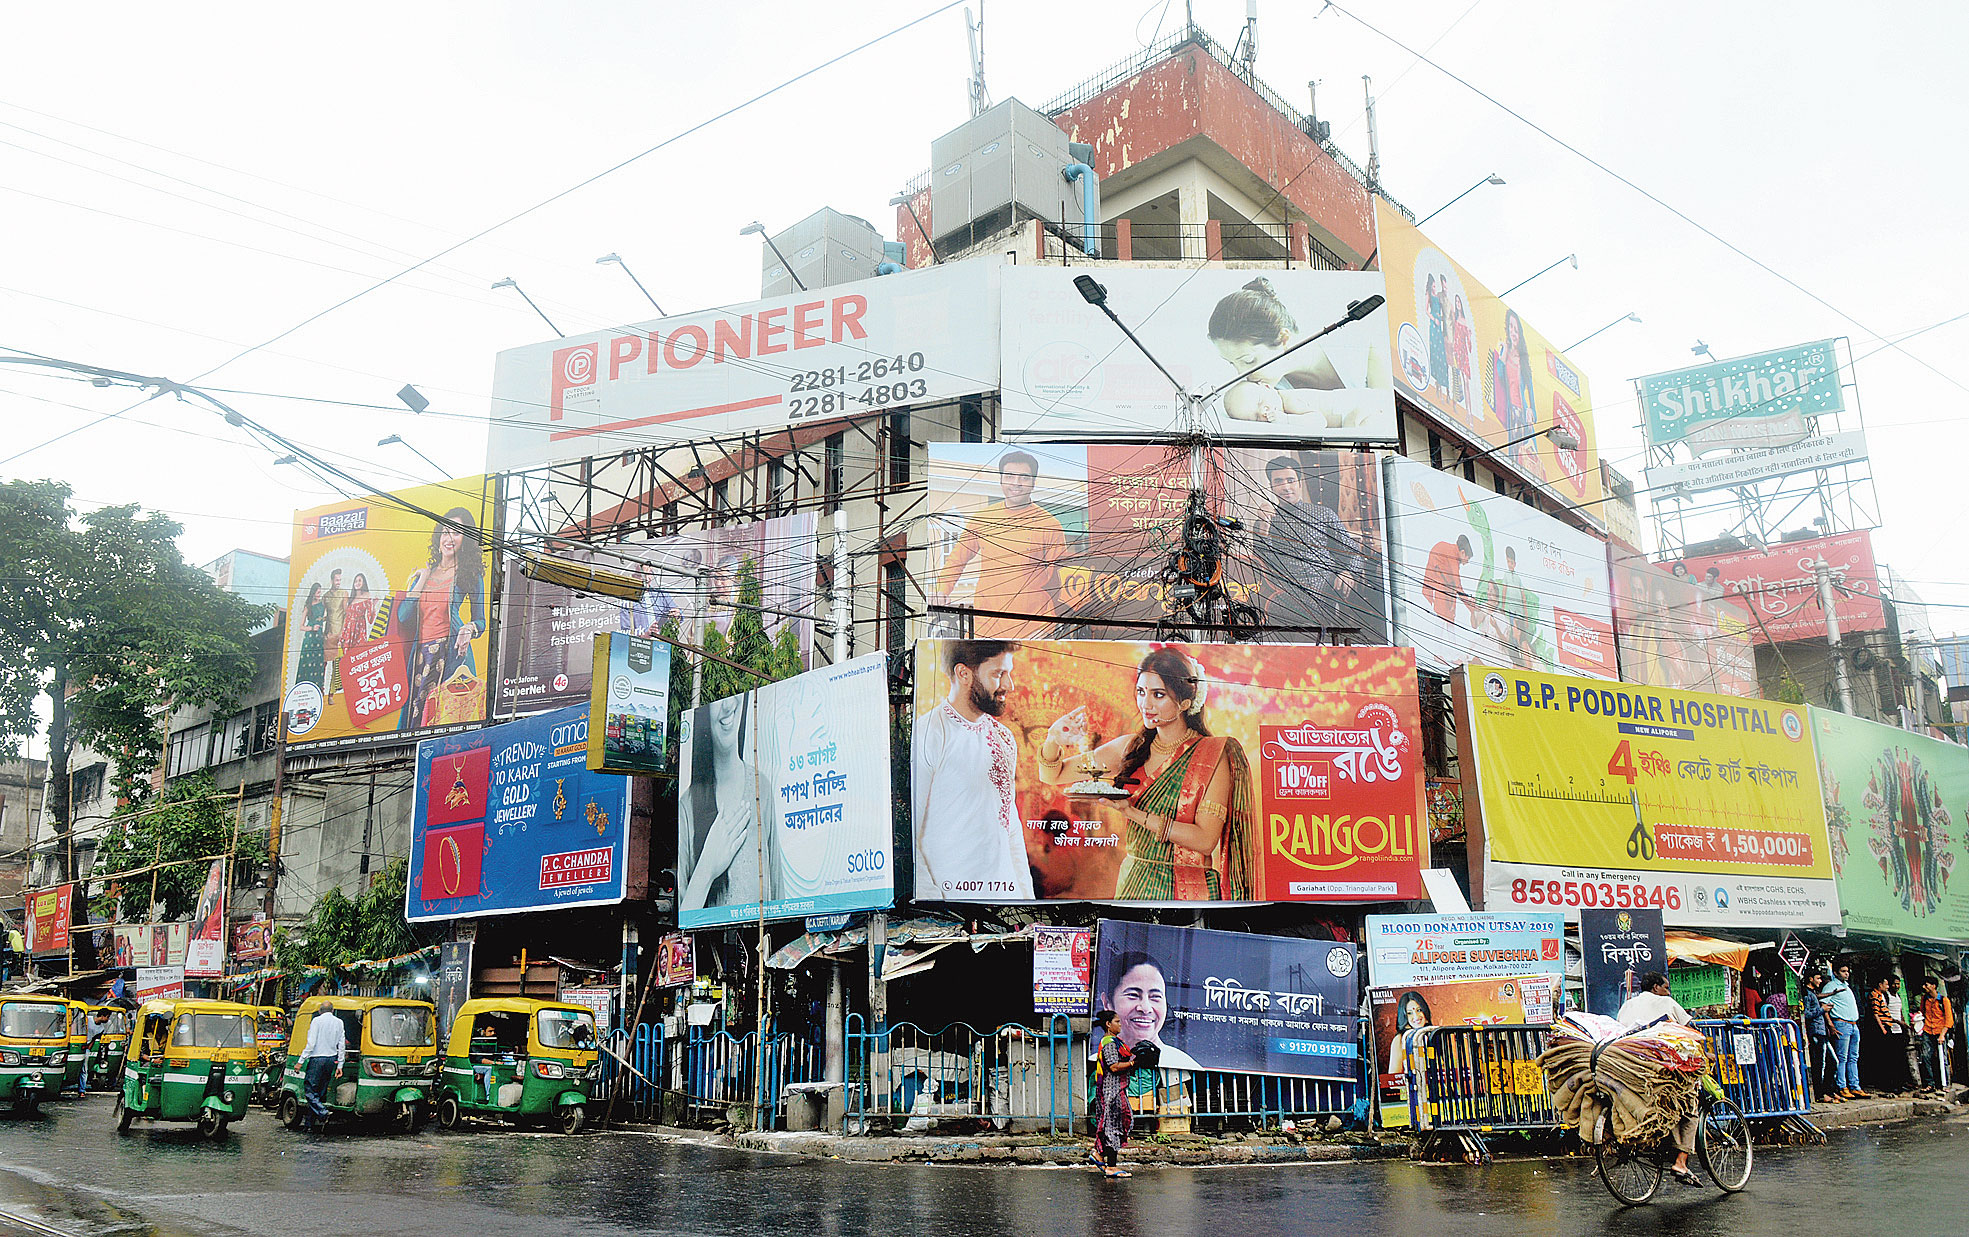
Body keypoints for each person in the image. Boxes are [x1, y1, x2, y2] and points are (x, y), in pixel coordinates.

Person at [1039, 647, 1260, 900]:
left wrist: (1131, 812)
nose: (1146, 704)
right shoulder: (1129, 748)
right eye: (1141, 692)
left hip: (1190, 892)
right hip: (1136, 885)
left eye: (1158, 695)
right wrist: (1053, 739)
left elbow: (1205, 840)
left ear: (1185, 702)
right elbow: (1053, 775)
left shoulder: (1211, 754)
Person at [911, 640, 1033, 901]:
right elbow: (910, 829)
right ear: (963, 674)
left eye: (1008, 674)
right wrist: (932, 902)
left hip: (1003, 904)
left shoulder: (1003, 737)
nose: (1008, 686)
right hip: (950, 905)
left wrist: (1027, 900)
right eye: (998, 674)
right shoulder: (929, 733)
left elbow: (1010, 825)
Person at [931, 451, 1068, 639]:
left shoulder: (1049, 524)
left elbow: (1060, 578)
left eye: (1024, 477)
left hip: (1035, 629)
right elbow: (957, 559)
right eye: (1010, 476)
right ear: (1001, 480)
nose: (1016, 483)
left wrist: (1047, 628)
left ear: (1034, 482)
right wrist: (942, 590)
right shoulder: (982, 518)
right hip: (986, 627)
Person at [679, 692, 774, 914]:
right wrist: (707, 866)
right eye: (718, 703)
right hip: (705, 942)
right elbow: (684, 919)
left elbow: (778, 894)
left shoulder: (762, 788)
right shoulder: (688, 805)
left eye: (734, 698)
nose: (729, 705)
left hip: (760, 939)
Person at [395, 507, 487, 731]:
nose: (449, 538)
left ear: (464, 539)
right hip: (420, 659)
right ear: (438, 536)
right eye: (445, 532)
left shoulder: (469, 575)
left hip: (452, 656)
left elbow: (481, 621)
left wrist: (469, 628)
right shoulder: (423, 574)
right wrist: (421, 580)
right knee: (414, 723)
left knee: (447, 719)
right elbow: (403, 615)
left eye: (456, 533)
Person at [1256, 456, 1363, 634]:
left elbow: (1353, 552)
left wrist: (1348, 573)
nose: (1286, 487)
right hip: (1283, 601)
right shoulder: (1266, 520)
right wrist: (1263, 526)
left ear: (1299, 482)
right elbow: (1260, 563)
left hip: (1325, 596)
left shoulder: (1322, 514)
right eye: (1279, 482)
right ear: (1272, 486)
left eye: (1290, 480)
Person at [1616, 972, 1702, 1185]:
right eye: (1666, 987)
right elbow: (1691, 1030)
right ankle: (1681, 1162)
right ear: (1656, 987)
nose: (1667, 991)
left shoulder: (1627, 1006)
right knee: (1689, 1106)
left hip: (1629, 1067)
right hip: (1661, 1066)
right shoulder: (1666, 1002)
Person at [1090, 1009, 1138, 1179]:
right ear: (1108, 1024)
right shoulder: (1109, 1042)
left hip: (1116, 1089)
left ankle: (1099, 1154)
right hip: (1112, 1091)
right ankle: (1111, 1166)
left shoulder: (1115, 1041)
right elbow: (1114, 1066)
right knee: (1114, 1126)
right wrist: (1132, 1063)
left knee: (1113, 1124)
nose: (1120, 1024)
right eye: (1117, 1021)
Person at [300, 1005, 348, 1131]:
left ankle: (322, 1112)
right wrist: (340, 1065)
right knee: (320, 1092)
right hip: (331, 1059)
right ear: (332, 1010)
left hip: (317, 1059)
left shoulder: (316, 1021)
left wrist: (301, 1060)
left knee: (310, 1091)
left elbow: (311, 1043)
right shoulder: (339, 1022)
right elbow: (341, 1044)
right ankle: (309, 1124)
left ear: (320, 1011)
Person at [1822, 961, 1866, 1099]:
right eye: (1843, 971)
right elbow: (1824, 1006)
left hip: (1853, 1024)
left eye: (1847, 971)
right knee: (1842, 1057)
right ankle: (1842, 1086)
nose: (1846, 973)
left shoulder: (1846, 986)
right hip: (1841, 1024)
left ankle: (1855, 1085)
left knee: (1853, 1057)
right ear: (1835, 973)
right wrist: (1831, 1025)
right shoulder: (1831, 986)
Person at [1799, 970, 1838, 1101]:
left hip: (1822, 1031)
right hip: (1815, 1031)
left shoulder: (1813, 994)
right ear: (1811, 979)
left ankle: (1829, 1090)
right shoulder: (1806, 994)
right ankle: (1820, 1094)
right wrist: (1823, 1009)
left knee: (1833, 1062)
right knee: (1819, 1064)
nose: (1820, 981)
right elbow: (1805, 1014)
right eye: (1818, 978)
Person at [1423, 536, 1473, 624]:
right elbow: (1457, 585)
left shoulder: (1451, 552)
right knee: (1442, 618)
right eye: (1467, 559)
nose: (1467, 562)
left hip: (1439, 584)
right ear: (1462, 552)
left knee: (1447, 618)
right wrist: (1471, 607)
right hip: (1436, 587)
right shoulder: (1452, 554)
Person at [1919, 976, 1953, 1093]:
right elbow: (1922, 1013)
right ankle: (1930, 1084)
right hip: (1928, 1031)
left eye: (1926, 985)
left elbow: (1949, 1020)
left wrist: (1942, 1035)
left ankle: (1946, 1084)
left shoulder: (1944, 1000)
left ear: (1933, 986)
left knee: (1942, 1058)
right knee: (1925, 1057)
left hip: (1940, 1031)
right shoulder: (1924, 999)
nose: (1924, 987)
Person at [295, 582, 328, 692]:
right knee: (308, 662)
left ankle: (318, 688)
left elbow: (320, 618)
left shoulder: (322, 604)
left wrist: (325, 619)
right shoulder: (308, 606)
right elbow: (301, 626)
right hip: (310, 638)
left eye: (320, 592)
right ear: (313, 592)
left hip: (319, 637)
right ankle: (304, 689)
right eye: (317, 592)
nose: (319, 594)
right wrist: (312, 628)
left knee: (318, 662)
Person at [322, 568, 349, 696]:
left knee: (337, 664)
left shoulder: (344, 593)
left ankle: (333, 693)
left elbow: (346, 612)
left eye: (340, 580)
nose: (338, 582)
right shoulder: (325, 596)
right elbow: (324, 614)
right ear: (332, 580)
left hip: (339, 633)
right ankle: (321, 689)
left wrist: (344, 633)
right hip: (328, 634)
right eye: (337, 580)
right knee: (324, 663)